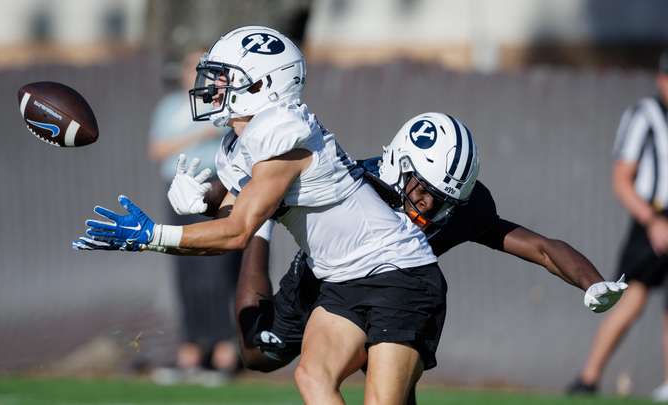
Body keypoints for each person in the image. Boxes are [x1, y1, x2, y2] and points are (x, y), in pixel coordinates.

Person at [74, 26, 443, 404]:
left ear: (262, 86)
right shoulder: (242, 144)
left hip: (399, 273)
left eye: (224, 77)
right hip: (341, 278)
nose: (211, 86)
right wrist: (201, 203)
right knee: (313, 377)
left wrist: (152, 237)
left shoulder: (283, 132)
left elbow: (236, 232)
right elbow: (236, 216)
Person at [165, 112, 628, 404]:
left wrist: (592, 281)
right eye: (423, 189)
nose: (429, 205)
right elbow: (248, 195)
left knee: (388, 383)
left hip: (397, 291)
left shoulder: (457, 208)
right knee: (258, 351)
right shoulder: (356, 181)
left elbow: (537, 245)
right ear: (399, 164)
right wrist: (207, 196)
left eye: (443, 199)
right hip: (325, 278)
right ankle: (263, 242)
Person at [567, 49, 668, 400]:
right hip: (653, 217)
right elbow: (622, 179)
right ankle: (588, 376)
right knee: (631, 298)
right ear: (660, 78)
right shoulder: (645, 116)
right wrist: (652, 220)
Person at [147, 50, 239, 381]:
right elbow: (157, 150)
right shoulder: (171, 107)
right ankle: (191, 349)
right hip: (177, 188)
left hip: (213, 189)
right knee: (185, 269)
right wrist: (197, 134)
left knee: (215, 270)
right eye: (193, 67)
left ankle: (222, 351)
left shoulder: (228, 105)